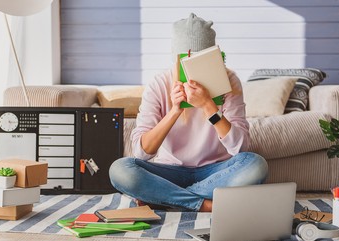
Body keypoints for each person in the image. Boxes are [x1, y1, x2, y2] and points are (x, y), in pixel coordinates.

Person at [109, 13, 268, 212]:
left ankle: (166, 197)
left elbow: (240, 148)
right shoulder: (159, 84)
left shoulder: (229, 82)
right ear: (176, 60)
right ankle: (203, 204)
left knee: (255, 164)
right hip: (169, 170)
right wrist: (174, 111)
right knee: (120, 169)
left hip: (215, 171)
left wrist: (208, 106)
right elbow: (141, 152)